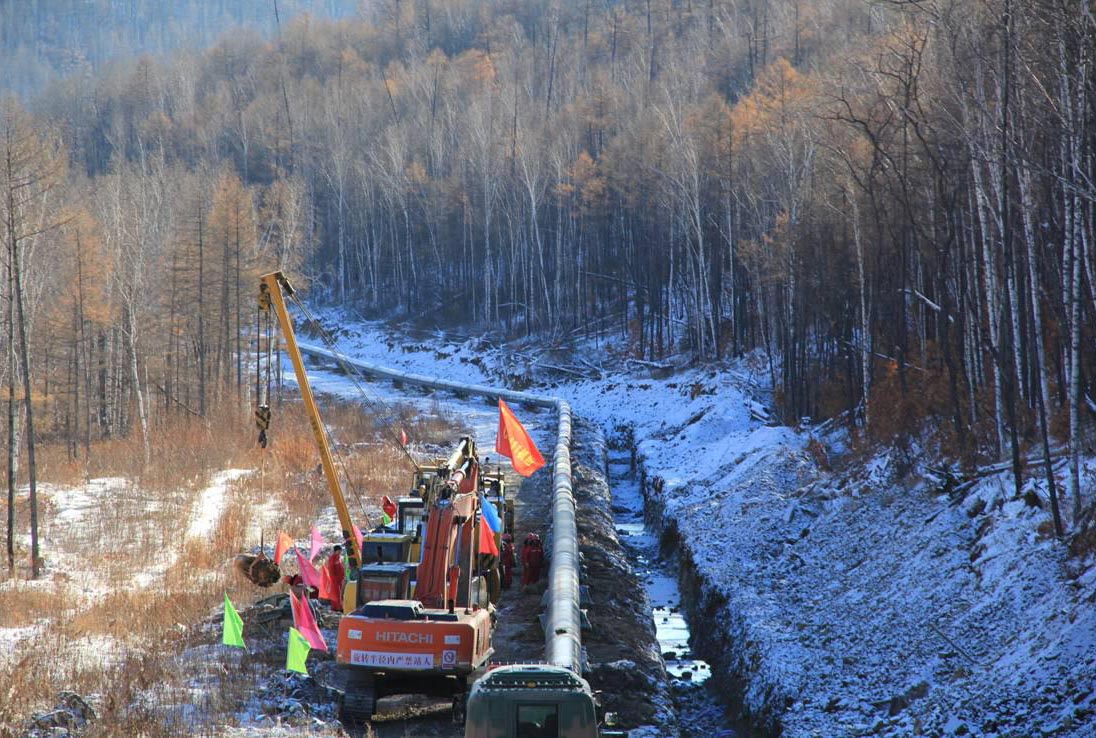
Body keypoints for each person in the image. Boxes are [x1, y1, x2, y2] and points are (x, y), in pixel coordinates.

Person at [325, 545, 346, 611]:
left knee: (338, 593)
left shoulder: (338, 558)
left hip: (339, 579)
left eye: (340, 551)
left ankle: (337, 607)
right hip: (335, 580)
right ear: (335, 551)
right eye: (339, 551)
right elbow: (331, 570)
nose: (340, 552)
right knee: (336, 593)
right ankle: (337, 607)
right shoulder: (333, 558)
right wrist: (335, 579)